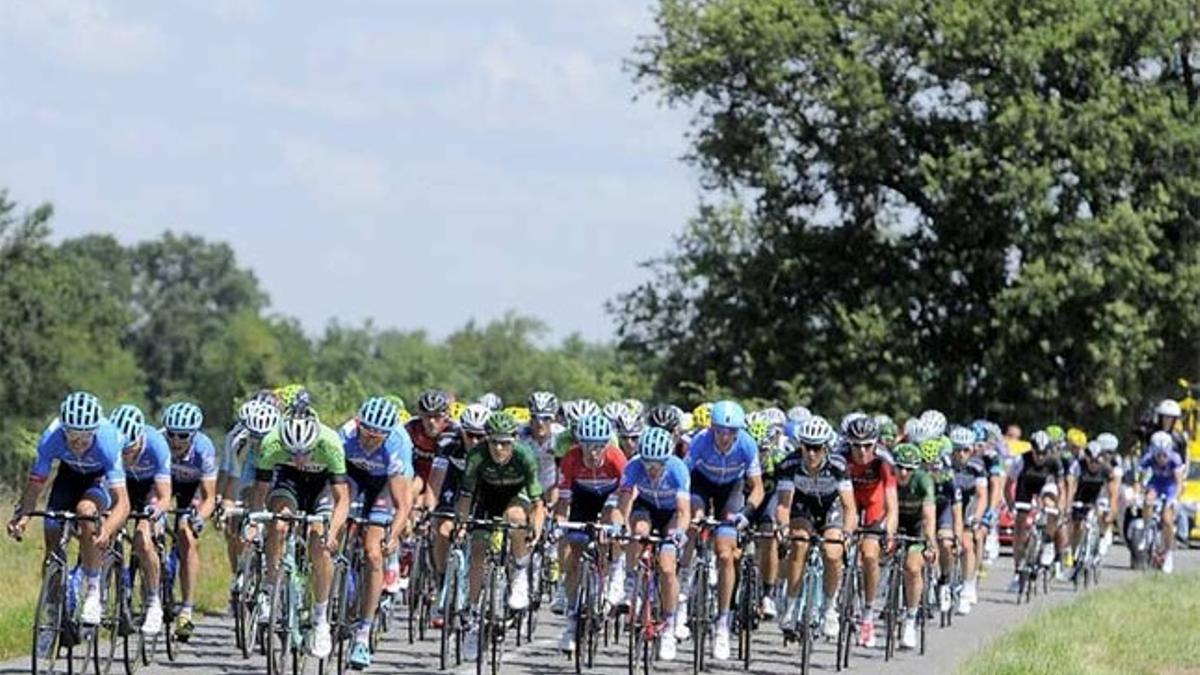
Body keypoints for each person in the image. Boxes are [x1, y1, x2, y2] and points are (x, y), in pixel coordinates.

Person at [8, 392, 131, 629]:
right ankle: (54, 608)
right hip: (68, 477)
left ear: (94, 431)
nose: (79, 442)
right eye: (73, 435)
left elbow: (123, 503)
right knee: (51, 532)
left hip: (98, 480)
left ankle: (93, 591)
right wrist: (23, 517)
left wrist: (106, 529)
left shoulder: (108, 440)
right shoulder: (51, 437)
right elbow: (36, 484)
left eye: (85, 436)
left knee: (86, 511)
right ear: (64, 429)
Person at [247, 410, 351, 659]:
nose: (300, 458)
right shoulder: (272, 443)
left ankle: (320, 618)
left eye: (305, 452)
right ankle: (272, 588)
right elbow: (260, 490)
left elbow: (342, 499)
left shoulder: (331, 443)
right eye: (293, 453)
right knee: (279, 525)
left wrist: (332, 532)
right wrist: (254, 521)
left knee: (320, 544)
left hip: (322, 487)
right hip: (289, 482)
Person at [456, 411, 546, 662]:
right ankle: (474, 616)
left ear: (514, 440)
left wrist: (535, 530)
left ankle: (519, 570)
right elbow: (465, 496)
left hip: (516, 497)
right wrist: (462, 525)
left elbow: (539, 503)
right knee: (477, 551)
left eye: (505, 442)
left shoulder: (525, 456)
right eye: (493, 441)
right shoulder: (476, 456)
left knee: (516, 519)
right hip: (486, 498)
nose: (498, 448)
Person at [684, 400, 764, 661]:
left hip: (731, 490)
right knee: (693, 521)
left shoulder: (747, 445)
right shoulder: (699, 442)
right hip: (701, 485)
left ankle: (722, 623)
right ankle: (685, 583)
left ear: (738, 432)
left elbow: (758, 488)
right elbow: (684, 478)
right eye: (719, 430)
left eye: (730, 432)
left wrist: (746, 514)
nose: (724, 436)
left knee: (726, 553)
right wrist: (686, 513)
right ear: (712, 429)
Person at [339, 397, 414, 668]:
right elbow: (333, 484)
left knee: (372, 552)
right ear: (358, 425)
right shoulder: (346, 435)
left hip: (383, 485)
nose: (370, 441)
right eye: (366, 434)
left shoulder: (398, 443)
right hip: (353, 477)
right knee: (334, 530)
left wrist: (392, 535)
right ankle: (341, 583)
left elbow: (403, 503)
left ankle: (363, 634)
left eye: (377, 437)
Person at [776, 416, 858, 639]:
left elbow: (850, 507)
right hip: (803, 505)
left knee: (833, 553)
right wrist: (783, 528)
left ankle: (830, 607)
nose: (811, 453)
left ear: (825, 447)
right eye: (806, 447)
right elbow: (784, 504)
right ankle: (791, 606)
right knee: (798, 543)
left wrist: (847, 534)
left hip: (831, 506)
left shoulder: (838, 466)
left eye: (816, 448)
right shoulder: (789, 464)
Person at [616, 427, 691, 661]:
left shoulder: (678, 469)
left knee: (668, 567)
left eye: (657, 464)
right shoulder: (634, 466)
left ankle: (668, 625)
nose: (652, 469)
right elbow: (624, 505)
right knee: (637, 532)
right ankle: (631, 582)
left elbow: (683, 511)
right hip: (645, 509)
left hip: (670, 515)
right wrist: (621, 527)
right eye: (648, 463)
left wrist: (679, 533)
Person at [555, 414, 627, 653]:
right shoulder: (571, 458)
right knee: (571, 545)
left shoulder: (617, 458)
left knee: (609, 527)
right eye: (587, 445)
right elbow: (563, 500)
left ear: (607, 444)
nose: (593, 452)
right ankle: (572, 618)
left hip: (610, 498)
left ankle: (614, 570)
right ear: (579, 443)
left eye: (598, 446)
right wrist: (559, 523)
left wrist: (618, 526)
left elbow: (625, 498)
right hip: (583, 498)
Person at [110, 404, 172, 635]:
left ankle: (154, 601)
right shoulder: (111, 444)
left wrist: (153, 515)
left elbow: (165, 497)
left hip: (151, 491)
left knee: (142, 539)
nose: (125, 457)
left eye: (129, 451)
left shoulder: (156, 445)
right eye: (121, 452)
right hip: (123, 487)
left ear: (140, 439)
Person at [160, 401, 218, 641]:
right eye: (171, 433)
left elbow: (209, 498)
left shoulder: (204, 448)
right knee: (151, 524)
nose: (175, 440)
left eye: (182, 435)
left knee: (185, 535)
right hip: (164, 484)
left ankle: (187, 609)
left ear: (193, 435)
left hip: (192, 491)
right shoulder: (160, 442)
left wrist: (198, 518)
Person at [217, 399, 279, 609]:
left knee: (278, 514)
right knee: (238, 519)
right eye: (255, 437)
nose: (260, 442)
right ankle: (242, 572)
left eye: (264, 438)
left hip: (278, 470)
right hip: (251, 468)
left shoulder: (283, 442)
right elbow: (234, 479)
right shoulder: (238, 442)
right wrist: (227, 506)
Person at [842, 415, 897, 645]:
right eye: (856, 445)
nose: (862, 451)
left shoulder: (883, 461)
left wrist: (889, 533)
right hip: (848, 501)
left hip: (875, 503)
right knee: (838, 548)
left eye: (868, 445)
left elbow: (892, 504)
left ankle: (867, 613)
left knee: (870, 554)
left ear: (875, 443)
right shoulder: (840, 457)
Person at [1006, 430, 1065, 592]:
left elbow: (1062, 488)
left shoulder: (1054, 462)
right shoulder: (1021, 460)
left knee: (1050, 506)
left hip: (1046, 487)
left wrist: (1061, 507)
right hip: (1025, 488)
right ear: (1031, 449)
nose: (1040, 457)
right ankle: (1018, 572)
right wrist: (1011, 504)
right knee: (1020, 529)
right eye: (1037, 453)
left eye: (1044, 453)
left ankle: (1047, 542)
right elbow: (1009, 484)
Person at [891, 442, 936, 650]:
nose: (903, 472)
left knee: (912, 567)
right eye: (899, 466)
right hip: (894, 520)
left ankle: (910, 619)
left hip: (916, 525)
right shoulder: (889, 479)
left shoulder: (923, 481)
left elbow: (928, 517)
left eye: (908, 468)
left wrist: (930, 543)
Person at [1064, 440, 1119, 577]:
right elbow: (1071, 487)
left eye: (1096, 461)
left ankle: (1100, 541)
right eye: (1091, 461)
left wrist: (1112, 510)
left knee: (1101, 513)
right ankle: (1074, 553)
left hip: (1098, 495)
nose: (1093, 465)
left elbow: (1113, 493)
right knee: (1077, 525)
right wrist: (1068, 505)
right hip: (1080, 495)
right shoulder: (1077, 466)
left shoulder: (1106, 469)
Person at [949, 426, 987, 614]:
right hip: (948, 506)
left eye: (965, 450)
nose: (961, 454)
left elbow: (982, 496)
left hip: (967, 507)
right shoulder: (944, 464)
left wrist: (976, 517)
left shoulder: (977, 467)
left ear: (971, 450)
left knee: (967, 543)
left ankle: (967, 585)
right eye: (956, 449)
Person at [1138, 431, 1185, 573]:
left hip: (1171, 486)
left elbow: (1179, 483)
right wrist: (1139, 491)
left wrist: (1174, 499)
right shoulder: (1147, 458)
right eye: (1158, 455)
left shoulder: (1175, 459)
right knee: (1148, 500)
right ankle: (1146, 531)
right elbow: (1140, 479)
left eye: (1164, 455)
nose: (1161, 458)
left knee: (1167, 520)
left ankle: (1169, 553)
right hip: (1156, 484)